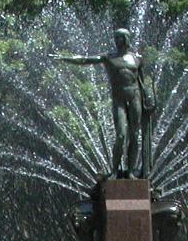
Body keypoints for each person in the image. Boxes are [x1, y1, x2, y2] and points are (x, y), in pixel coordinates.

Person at [54, 28, 156, 179]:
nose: (117, 41)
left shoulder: (137, 59)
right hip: (119, 98)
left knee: (134, 135)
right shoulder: (108, 57)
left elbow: (141, 81)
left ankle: (130, 171)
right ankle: (114, 171)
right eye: (116, 38)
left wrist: (148, 98)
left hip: (135, 97)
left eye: (120, 38)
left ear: (126, 39)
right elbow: (86, 60)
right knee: (121, 135)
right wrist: (65, 58)